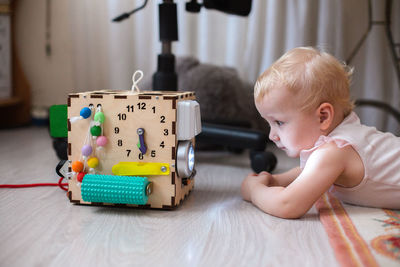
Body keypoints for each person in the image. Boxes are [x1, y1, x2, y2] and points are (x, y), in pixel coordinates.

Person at [241, 47, 400, 219]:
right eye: (269, 123)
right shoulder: (338, 145)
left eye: (279, 122)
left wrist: (254, 191)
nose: (272, 135)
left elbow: (287, 205)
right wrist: (278, 181)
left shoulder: (334, 150)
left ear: (323, 117)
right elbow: (311, 170)